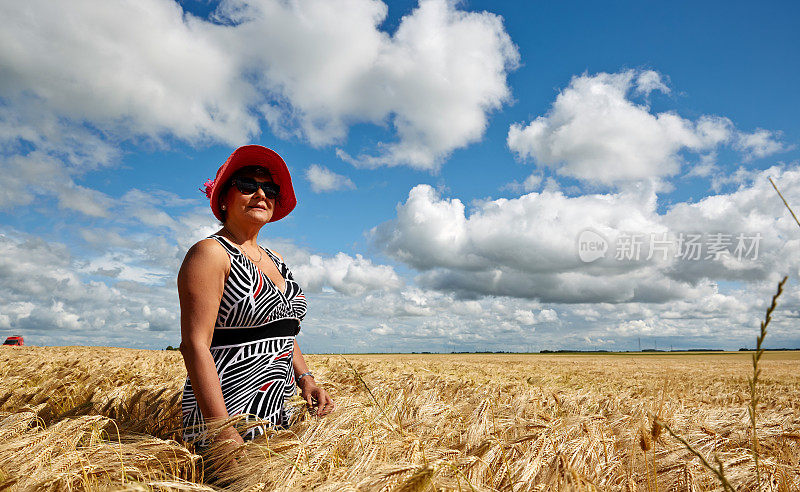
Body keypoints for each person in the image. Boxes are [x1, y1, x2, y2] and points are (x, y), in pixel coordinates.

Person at [179, 145, 333, 449]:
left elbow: (283, 328)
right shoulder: (211, 253)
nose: (261, 194)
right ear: (224, 198)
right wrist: (221, 428)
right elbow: (194, 345)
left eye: (270, 189)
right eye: (248, 185)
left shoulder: (275, 258)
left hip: (276, 412)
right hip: (227, 413)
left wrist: (307, 380)